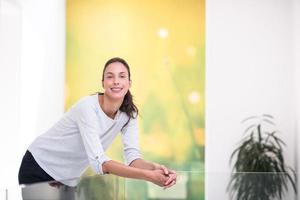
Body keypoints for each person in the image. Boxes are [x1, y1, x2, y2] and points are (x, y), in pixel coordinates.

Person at [18, 57, 177, 189]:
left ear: (129, 83)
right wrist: (149, 176)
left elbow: (133, 159)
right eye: (110, 76)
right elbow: (99, 162)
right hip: (39, 165)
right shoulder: (87, 107)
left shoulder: (129, 114)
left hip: (66, 179)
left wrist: (155, 168)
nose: (116, 81)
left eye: (122, 76)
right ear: (103, 83)